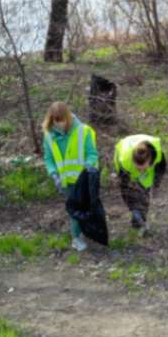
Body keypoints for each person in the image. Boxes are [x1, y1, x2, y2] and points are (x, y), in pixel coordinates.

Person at [43, 101, 98, 251]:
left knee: (85, 207)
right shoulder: (48, 135)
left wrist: (88, 166)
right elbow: (48, 158)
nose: (59, 124)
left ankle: (85, 231)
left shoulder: (83, 131)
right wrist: (54, 175)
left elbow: (92, 154)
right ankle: (76, 237)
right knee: (73, 210)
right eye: (56, 121)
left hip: (83, 179)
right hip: (65, 181)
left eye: (62, 120)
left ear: (68, 117)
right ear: (51, 119)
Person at [113, 134, 166, 235]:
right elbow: (125, 188)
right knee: (133, 196)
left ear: (150, 160)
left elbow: (160, 171)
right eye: (138, 168)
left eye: (144, 168)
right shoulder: (124, 161)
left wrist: (155, 186)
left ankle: (140, 223)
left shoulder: (158, 155)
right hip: (124, 156)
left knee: (144, 195)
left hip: (147, 165)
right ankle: (138, 220)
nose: (141, 171)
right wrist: (133, 208)